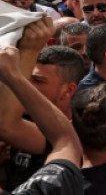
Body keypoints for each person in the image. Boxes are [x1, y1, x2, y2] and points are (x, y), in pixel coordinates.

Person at [0, 46, 84, 195]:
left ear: (68, 90)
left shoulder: (80, 133)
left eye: (38, 81)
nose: (28, 85)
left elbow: (6, 126)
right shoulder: (20, 117)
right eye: (27, 78)